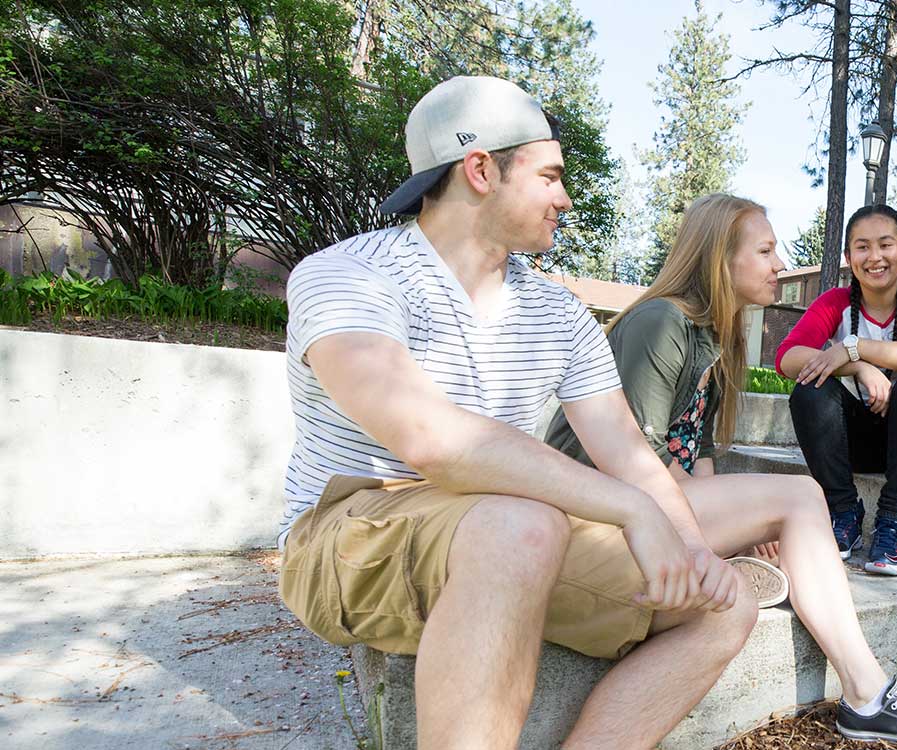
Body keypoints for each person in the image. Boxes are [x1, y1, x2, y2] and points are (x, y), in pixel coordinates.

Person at [275, 77, 754, 749]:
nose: (564, 197)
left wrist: (692, 546)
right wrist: (629, 510)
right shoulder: (348, 275)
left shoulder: (558, 312)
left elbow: (624, 448)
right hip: (351, 529)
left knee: (723, 603)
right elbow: (429, 441)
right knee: (521, 523)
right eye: (551, 176)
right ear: (480, 170)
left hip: (506, 534)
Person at [542, 193, 897, 745]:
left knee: (790, 508)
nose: (779, 264)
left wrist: (739, 525)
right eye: (767, 251)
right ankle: (867, 694)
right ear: (721, 259)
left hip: (653, 504)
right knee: (800, 496)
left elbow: (696, 458)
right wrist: (738, 520)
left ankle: (867, 688)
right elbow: (633, 463)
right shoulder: (661, 323)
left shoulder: (715, 338)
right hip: (598, 509)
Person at [777, 205, 897, 577]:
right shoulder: (835, 302)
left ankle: (895, 523)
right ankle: (842, 512)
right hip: (858, 441)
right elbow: (787, 357)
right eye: (862, 247)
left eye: (886, 245)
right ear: (848, 257)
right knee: (809, 388)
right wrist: (858, 366)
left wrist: (855, 347)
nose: (874, 257)